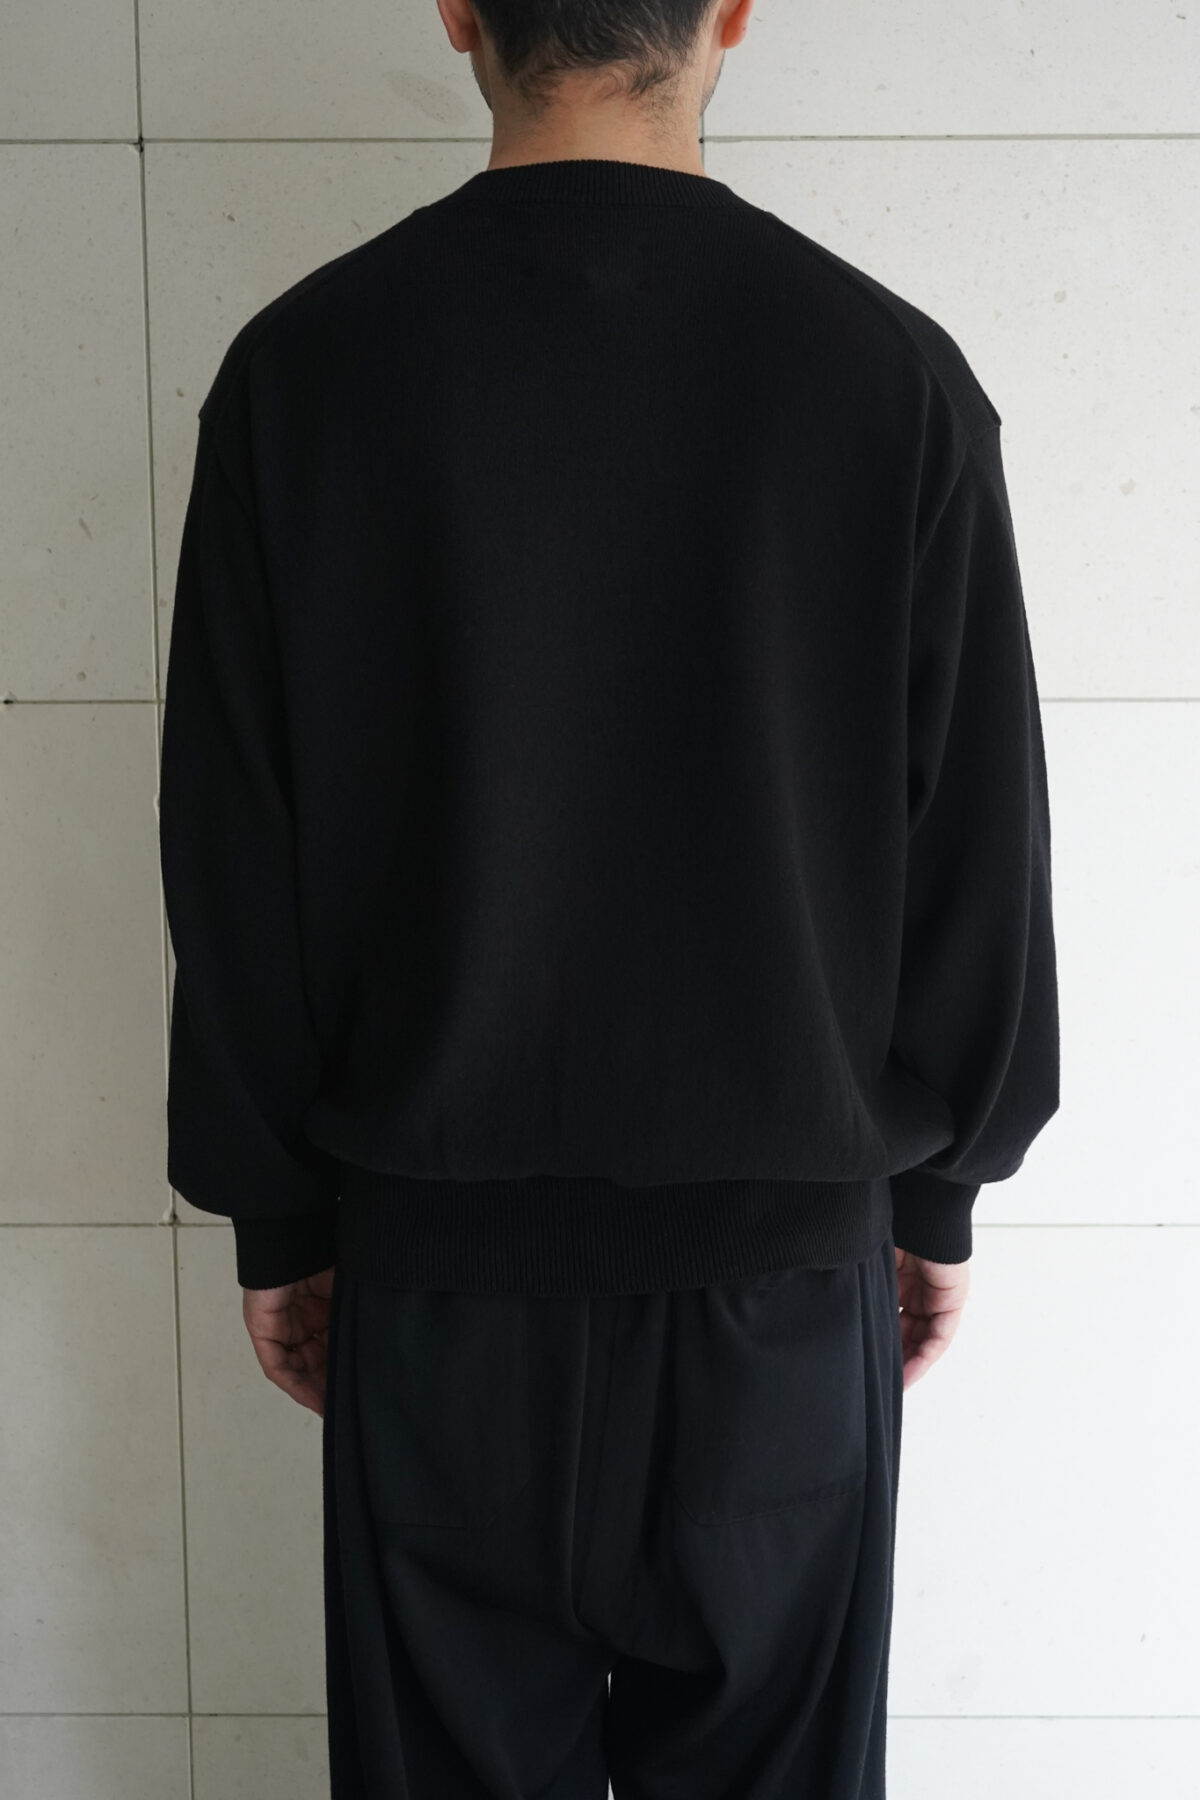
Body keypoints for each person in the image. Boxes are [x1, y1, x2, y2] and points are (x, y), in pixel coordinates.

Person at [157, 0, 1060, 1792]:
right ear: (732, 13)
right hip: (782, 1297)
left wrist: (274, 1214)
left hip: (437, 1295)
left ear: (457, 11)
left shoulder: (305, 372)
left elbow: (237, 848)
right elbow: (980, 842)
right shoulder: (887, 373)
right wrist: (940, 1190)